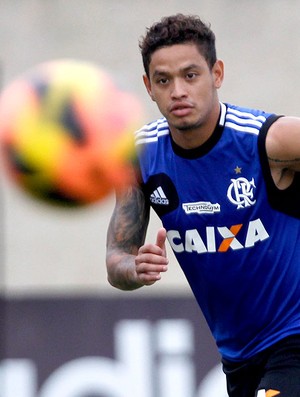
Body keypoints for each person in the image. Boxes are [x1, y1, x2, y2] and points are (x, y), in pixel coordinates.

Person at [106, 13, 300, 397]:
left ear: (217, 74)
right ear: (149, 86)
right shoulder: (139, 158)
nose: (178, 90)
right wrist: (134, 266)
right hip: (238, 356)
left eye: (190, 75)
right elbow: (116, 259)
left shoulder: (269, 140)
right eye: (164, 80)